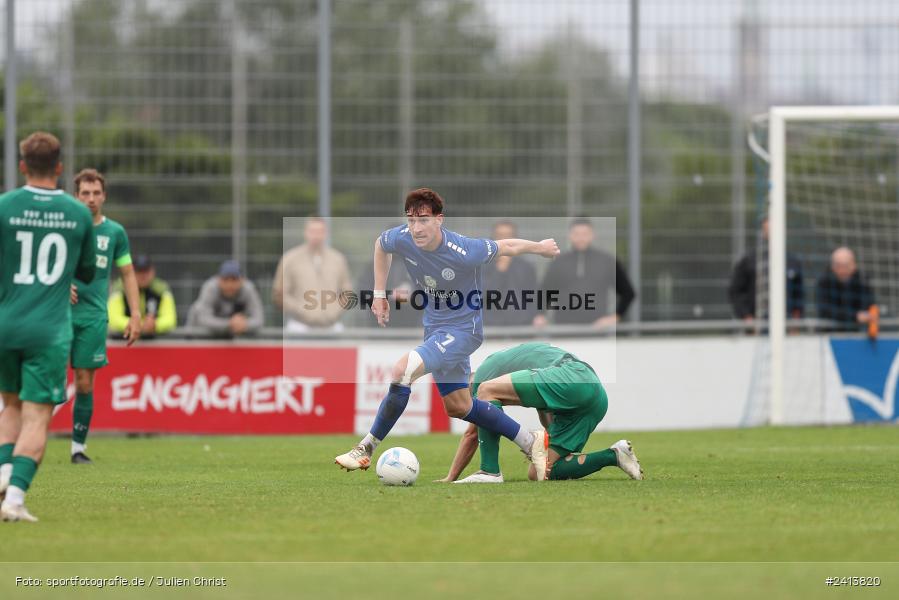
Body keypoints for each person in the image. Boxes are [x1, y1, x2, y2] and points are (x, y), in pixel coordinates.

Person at [334, 188, 561, 479]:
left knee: (402, 370)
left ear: (439, 220)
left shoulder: (464, 250)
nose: (416, 228)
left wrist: (540, 247)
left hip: (464, 330)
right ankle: (531, 442)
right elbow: (380, 245)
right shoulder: (402, 237)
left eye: (424, 220)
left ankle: (365, 448)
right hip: (436, 329)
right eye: (411, 220)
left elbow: (506, 246)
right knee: (459, 406)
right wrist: (379, 294)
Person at [0, 132, 97, 522]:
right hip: (49, 329)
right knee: (38, 416)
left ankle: (4, 475)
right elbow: (87, 271)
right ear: (60, 168)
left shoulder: (5, 207)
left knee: (9, 405)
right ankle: (15, 499)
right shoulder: (77, 214)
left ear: (23, 166)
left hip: (6, 323)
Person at [436, 342, 643, 483]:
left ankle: (489, 470)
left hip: (571, 376)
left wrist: (450, 477)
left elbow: (473, 433)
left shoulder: (480, 377)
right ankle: (615, 456)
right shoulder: (522, 370)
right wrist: (545, 443)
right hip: (594, 398)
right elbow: (546, 411)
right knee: (539, 471)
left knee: (486, 391)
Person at [68, 168, 142, 464]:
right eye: (85, 193)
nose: (90, 199)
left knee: (85, 382)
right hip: (56, 314)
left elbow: (127, 272)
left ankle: (77, 448)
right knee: (50, 383)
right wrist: (61, 286)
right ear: (76, 196)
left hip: (93, 316)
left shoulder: (115, 233)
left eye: (96, 193)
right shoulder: (66, 227)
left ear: (104, 196)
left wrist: (135, 313)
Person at [534, 217, 635, 328]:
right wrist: (540, 315)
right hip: (563, 329)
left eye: (585, 234)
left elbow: (628, 293)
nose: (581, 238)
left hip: (597, 331)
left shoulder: (606, 261)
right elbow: (545, 293)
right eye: (576, 234)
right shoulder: (558, 262)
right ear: (570, 236)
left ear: (593, 235)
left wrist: (614, 317)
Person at [273, 216, 353, 333]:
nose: (316, 235)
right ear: (305, 232)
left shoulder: (338, 259)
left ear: (326, 234)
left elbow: (347, 292)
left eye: (320, 231)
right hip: (299, 327)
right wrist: (301, 310)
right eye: (312, 231)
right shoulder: (290, 259)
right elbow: (279, 294)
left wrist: (334, 311)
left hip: (331, 327)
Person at [728, 217, 804, 321]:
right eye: (769, 230)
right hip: (757, 323)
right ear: (764, 232)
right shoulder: (749, 261)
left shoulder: (792, 261)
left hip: (786, 323)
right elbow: (736, 291)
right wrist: (747, 317)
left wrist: (795, 323)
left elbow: (799, 295)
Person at [482, 220, 539, 327]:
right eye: (500, 236)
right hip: (491, 326)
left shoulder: (526, 266)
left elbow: (534, 294)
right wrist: (499, 272)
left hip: (521, 325)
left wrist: (537, 315)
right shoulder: (481, 265)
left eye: (508, 236)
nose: (504, 240)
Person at [186, 260, 264, 337]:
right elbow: (203, 319)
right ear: (218, 279)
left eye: (234, 279)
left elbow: (259, 319)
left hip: (235, 340)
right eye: (225, 279)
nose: (229, 285)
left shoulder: (248, 289)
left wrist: (245, 324)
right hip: (204, 339)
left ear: (242, 280)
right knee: (196, 308)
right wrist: (229, 324)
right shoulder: (210, 288)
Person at [108, 255, 177, 338]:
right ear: (131, 272)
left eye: (146, 271)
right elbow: (113, 320)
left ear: (153, 271)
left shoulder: (161, 289)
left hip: (155, 343)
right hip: (123, 342)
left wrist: (155, 325)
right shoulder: (119, 288)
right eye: (139, 271)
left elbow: (170, 320)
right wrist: (138, 325)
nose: (143, 275)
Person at [816, 247, 875, 330]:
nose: (842, 270)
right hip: (828, 332)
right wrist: (855, 316)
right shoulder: (824, 281)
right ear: (832, 266)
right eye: (838, 266)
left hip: (857, 332)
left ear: (853, 265)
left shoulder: (862, 280)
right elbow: (825, 311)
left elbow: (868, 307)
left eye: (845, 266)